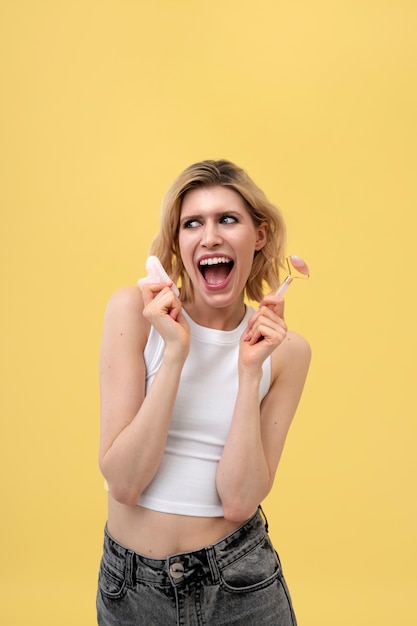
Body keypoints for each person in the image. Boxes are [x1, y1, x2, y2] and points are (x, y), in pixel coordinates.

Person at [96, 159, 311, 625]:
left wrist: (249, 372)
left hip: (239, 583)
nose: (209, 236)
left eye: (227, 219)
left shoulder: (288, 353)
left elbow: (239, 501)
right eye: (192, 223)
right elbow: (125, 483)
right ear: (178, 242)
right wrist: (174, 354)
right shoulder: (134, 314)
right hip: (133, 589)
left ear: (260, 235)